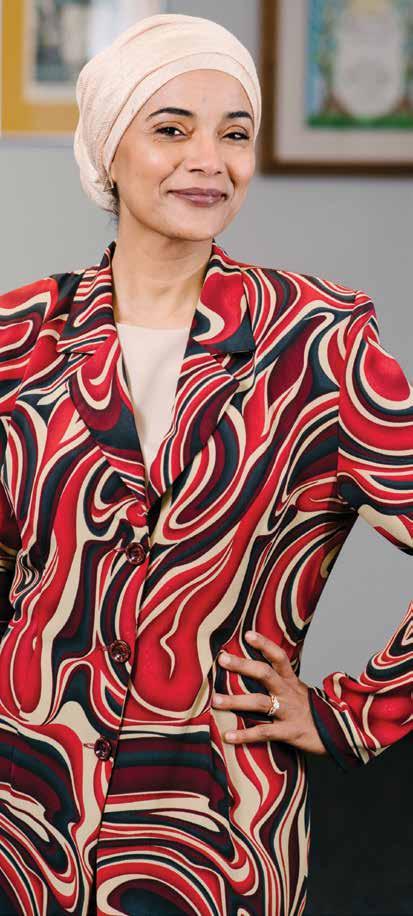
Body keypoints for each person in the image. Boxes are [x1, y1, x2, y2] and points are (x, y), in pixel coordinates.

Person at [0, 12, 411, 916]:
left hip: (217, 832)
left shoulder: (320, 342)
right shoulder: (20, 338)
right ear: (108, 151)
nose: (208, 161)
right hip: (25, 819)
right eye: (172, 128)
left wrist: (351, 711)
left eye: (234, 134)